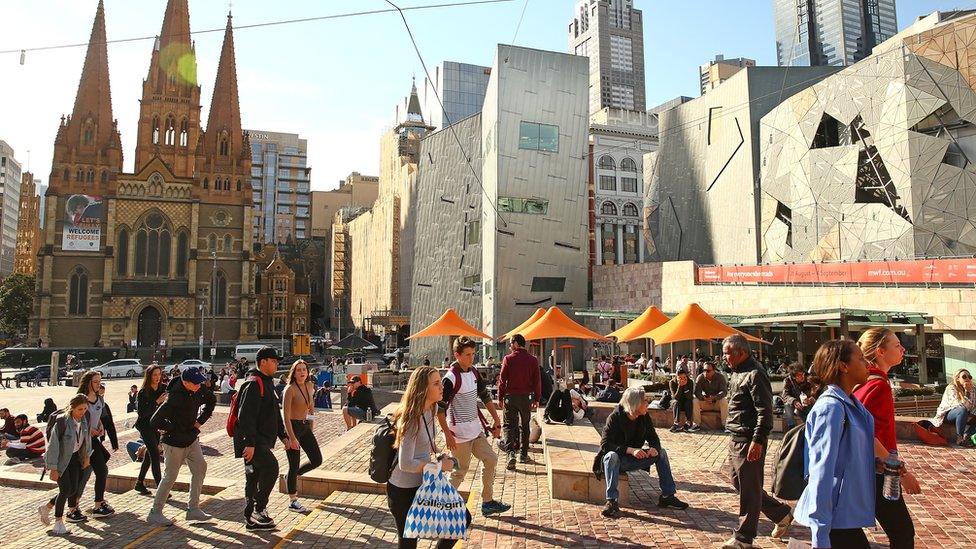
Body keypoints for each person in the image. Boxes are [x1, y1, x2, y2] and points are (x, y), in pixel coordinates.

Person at [795, 340, 877, 549]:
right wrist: (820, 534)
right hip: (834, 516)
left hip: (845, 513)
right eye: (860, 358)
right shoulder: (831, 408)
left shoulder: (850, 404)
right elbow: (820, 471)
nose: (867, 363)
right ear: (843, 366)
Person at [721, 334, 793, 549]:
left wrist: (758, 440)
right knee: (740, 483)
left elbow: (765, 411)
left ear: (741, 353)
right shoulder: (736, 372)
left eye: (727, 354)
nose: (724, 358)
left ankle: (744, 538)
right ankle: (781, 513)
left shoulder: (755, 374)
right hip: (735, 436)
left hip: (748, 439)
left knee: (749, 489)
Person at [388, 366, 471, 548]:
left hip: (423, 482)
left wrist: (440, 455)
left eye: (440, 382)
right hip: (403, 490)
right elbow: (406, 463)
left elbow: (426, 443)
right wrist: (440, 467)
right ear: (423, 389)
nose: (442, 387)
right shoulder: (410, 419)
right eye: (436, 384)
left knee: (461, 517)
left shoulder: (431, 409)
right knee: (409, 543)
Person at [855, 327, 921, 548]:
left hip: (865, 469)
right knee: (902, 533)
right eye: (896, 345)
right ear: (880, 352)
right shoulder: (877, 385)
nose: (902, 348)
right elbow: (867, 435)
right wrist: (902, 472)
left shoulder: (863, 380)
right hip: (879, 471)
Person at [436, 336, 510, 517]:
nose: (472, 358)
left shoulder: (474, 373)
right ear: (457, 355)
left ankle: (487, 502)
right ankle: (440, 506)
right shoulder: (450, 378)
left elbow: (485, 397)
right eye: (468, 355)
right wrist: (447, 434)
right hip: (459, 435)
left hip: (475, 431)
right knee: (460, 472)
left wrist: (496, 420)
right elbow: (440, 411)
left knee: (491, 459)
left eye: (473, 354)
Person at [593, 387, 688, 518]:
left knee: (662, 453)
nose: (647, 403)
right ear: (635, 403)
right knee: (611, 456)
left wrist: (654, 448)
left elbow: (654, 438)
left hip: (633, 459)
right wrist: (631, 450)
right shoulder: (615, 417)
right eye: (644, 401)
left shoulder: (644, 417)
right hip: (616, 460)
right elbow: (605, 445)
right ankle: (612, 501)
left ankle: (667, 496)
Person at [145, 367, 215, 526]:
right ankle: (155, 512)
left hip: (191, 439)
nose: (199, 386)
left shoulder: (198, 388)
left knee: (200, 468)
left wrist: (199, 422)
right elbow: (154, 421)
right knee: (170, 476)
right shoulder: (174, 397)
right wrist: (173, 428)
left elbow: (211, 400)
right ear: (185, 382)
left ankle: (193, 509)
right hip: (173, 442)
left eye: (200, 382)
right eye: (195, 383)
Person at [234, 347, 291, 530]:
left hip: (262, 440)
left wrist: (283, 436)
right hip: (253, 441)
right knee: (271, 467)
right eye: (273, 361)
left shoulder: (267, 382)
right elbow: (246, 417)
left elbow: (274, 412)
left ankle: (250, 516)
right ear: (263, 362)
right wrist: (249, 444)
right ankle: (259, 508)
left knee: (253, 477)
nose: (277, 364)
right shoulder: (253, 383)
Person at [38, 394, 91, 535]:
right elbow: (53, 446)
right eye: (80, 409)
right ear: (72, 408)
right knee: (65, 490)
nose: (83, 412)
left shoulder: (84, 419)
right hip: (62, 461)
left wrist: (87, 455)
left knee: (72, 490)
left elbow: (86, 439)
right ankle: (58, 522)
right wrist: (53, 467)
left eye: (85, 408)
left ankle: (47, 507)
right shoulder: (62, 422)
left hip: (74, 459)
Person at [75, 371, 117, 519]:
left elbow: (101, 418)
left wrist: (100, 427)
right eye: (95, 382)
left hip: (93, 440)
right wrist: (89, 430)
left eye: (100, 381)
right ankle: (93, 505)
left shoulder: (99, 400)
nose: (99, 384)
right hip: (82, 441)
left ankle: (93, 504)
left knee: (90, 473)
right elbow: (74, 420)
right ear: (88, 383)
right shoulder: (81, 400)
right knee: (91, 473)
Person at [283, 360, 323, 513]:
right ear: (294, 372)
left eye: (304, 370)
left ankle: (291, 477)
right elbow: (285, 416)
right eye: (298, 370)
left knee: (317, 460)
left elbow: (311, 409)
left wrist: (311, 427)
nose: (302, 372)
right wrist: (291, 438)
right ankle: (293, 500)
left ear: (307, 372)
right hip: (292, 427)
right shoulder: (289, 389)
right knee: (294, 463)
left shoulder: (309, 386)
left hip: (304, 426)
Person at [498, 334, 541, 470]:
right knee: (525, 425)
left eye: (511, 343)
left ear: (516, 343)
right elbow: (537, 381)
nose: (510, 346)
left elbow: (502, 380)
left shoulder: (508, 359)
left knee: (509, 425)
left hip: (510, 397)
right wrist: (537, 398)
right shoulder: (533, 360)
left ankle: (511, 453)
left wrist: (500, 396)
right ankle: (523, 454)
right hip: (526, 397)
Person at [134, 364, 166, 496]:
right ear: (149, 376)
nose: (157, 377)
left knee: (148, 455)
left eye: (159, 374)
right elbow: (142, 413)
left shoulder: (162, 388)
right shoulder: (143, 392)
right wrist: (157, 402)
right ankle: (160, 488)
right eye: (154, 375)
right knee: (154, 454)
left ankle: (139, 483)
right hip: (145, 426)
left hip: (156, 426)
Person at [931, 369, 976, 446]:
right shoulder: (951, 388)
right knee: (962, 410)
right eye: (964, 377)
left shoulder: (972, 388)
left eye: (969, 377)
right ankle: (959, 437)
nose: (967, 379)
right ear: (958, 378)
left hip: (966, 414)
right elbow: (960, 405)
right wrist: (967, 392)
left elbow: (973, 405)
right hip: (949, 415)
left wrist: (970, 391)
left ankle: (967, 435)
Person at [693, 362, 729, 430]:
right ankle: (696, 424)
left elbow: (724, 391)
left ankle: (725, 425)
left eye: (708, 371)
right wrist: (703, 398)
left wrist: (714, 397)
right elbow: (697, 392)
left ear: (714, 370)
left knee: (724, 400)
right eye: (704, 370)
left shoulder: (720, 377)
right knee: (695, 400)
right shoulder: (700, 377)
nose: (705, 372)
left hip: (716, 403)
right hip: (705, 402)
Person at [781, 362, 813, 429]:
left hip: (807, 402)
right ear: (794, 377)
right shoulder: (788, 380)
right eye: (799, 375)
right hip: (794, 403)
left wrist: (811, 398)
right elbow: (785, 395)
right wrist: (794, 401)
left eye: (803, 374)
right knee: (787, 405)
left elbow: (816, 391)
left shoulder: (809, 378)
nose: (802, 376)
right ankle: (791, 427)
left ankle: (810, 425)